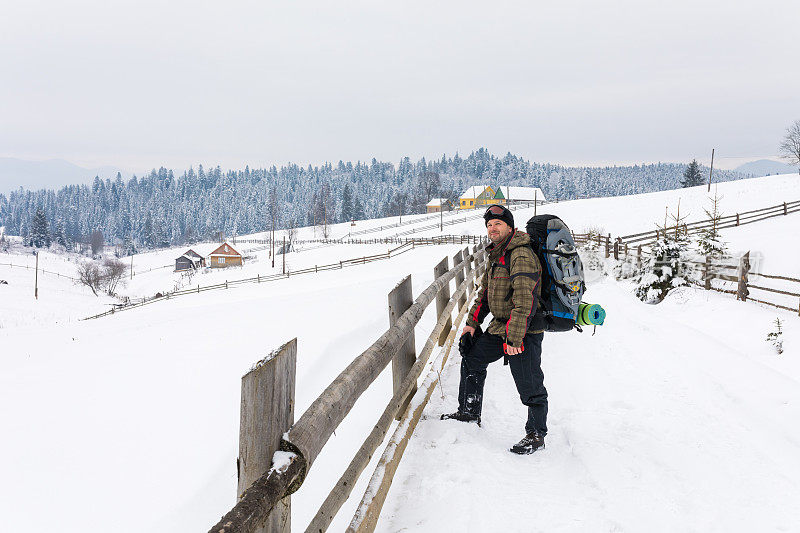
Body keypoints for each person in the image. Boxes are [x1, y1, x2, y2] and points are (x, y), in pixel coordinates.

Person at [441, 204, 548, 455]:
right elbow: (485, 295)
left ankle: (536, 434)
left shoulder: (520, 254)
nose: (492, 228)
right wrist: (471, 324)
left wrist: (515, 338)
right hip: (501, 327)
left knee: (530, 384)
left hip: (524, 331)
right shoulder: (497, 254)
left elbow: (526, 299)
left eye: (498, 224)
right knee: (472, 357)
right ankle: (469, 410)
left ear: (510, 226)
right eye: (489, 225)